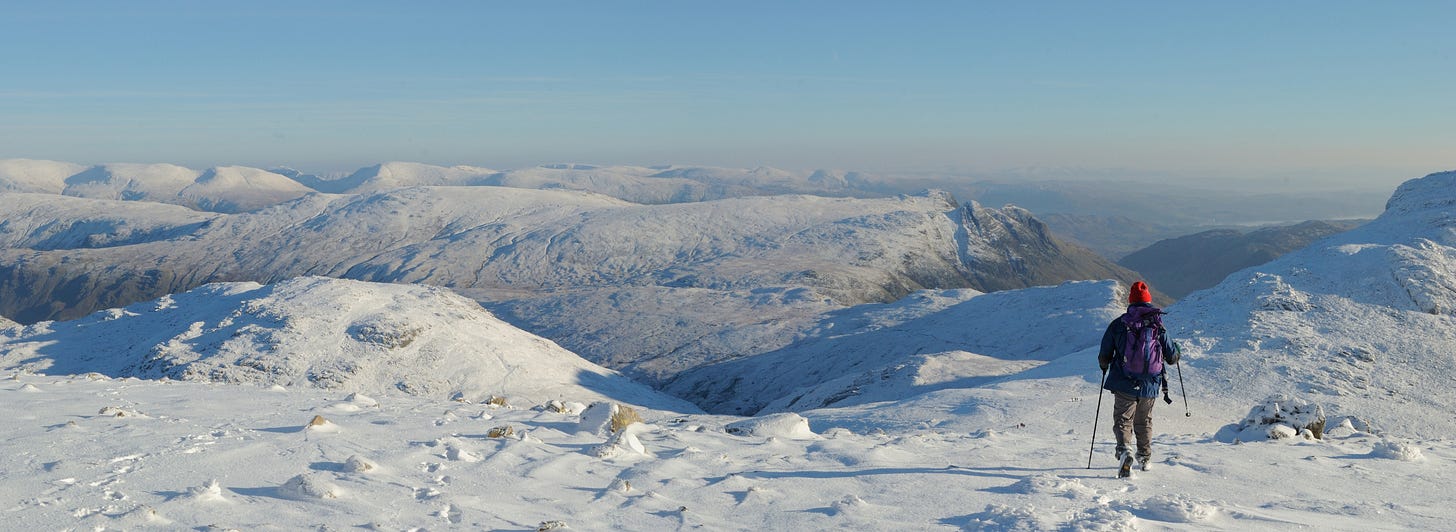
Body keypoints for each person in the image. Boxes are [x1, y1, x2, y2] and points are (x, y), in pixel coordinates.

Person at [1098, 280, 1179, 474]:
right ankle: (1145, 458)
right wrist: (1177, 349)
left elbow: (1104, 354)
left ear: (1131, 301)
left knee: (1123, 419)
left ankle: (1125, 450)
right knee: (1144, 421)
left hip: (1124, 382)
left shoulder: (1119, 324)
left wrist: (1104, 366)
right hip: (1150, 385)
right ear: (1148, 300)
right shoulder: (1157, 324)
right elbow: (1171, 357)